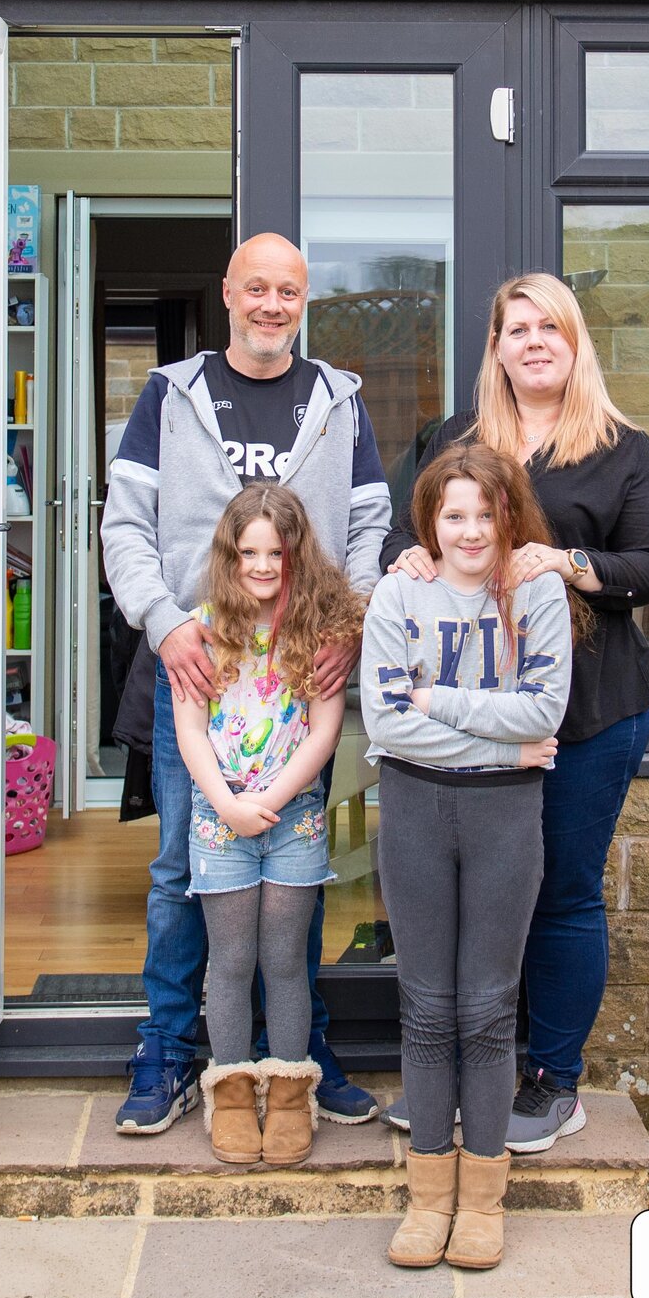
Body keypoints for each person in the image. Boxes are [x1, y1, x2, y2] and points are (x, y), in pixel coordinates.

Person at [100, 233, 392, 1135]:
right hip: (196, 665)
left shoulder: (336, 400)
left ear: (305, 301)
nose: (272, 304)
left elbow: (373, 525)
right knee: (184, 867)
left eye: (289, 291)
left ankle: (296, 1054)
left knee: (291, 868)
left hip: (302, 670)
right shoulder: (171, 395)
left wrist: (353, 619)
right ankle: (174, 1047)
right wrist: (165, 619)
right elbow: (123, 526)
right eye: (256, 287)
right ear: (228, 292)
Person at [379, 273, 649, 1153]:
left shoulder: (624, 448)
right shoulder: (455, 439)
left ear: (575, 342)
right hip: (469, 717)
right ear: (498, 347)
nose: (535, 341)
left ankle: (553, 1080)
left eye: (552, 326)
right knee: (471, 901)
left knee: (561, 896)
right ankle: (462, 1080)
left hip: (587, 713)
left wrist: (565, 560)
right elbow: (407, 536)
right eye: (518, 328)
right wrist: (410, 563)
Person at [362, 445, 579, 1272]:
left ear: (509, 516)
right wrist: (504, 739)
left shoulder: (539, 591)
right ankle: (427, 1199)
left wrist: (438, 698)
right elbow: (385, 725)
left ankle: (483, 1201)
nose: (470, 530)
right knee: (425, 1003)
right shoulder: (399, 590)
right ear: (430, 521)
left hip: (503, 816)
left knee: (488, 1006)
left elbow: (544, 707)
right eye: (454, 514)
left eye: (486, 514)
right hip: (416, 806)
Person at [174, 484, 362, 1166]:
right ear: (229, 555)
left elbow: (324, 729)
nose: (260, 565)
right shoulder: (200, 630)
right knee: (229, 961)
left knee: (284, 961)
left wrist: (274, 797)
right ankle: (230, 1093)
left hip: (294, 817)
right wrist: (227, 803)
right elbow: (189, 728)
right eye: (247, 551)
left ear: (295, 555)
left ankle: (287, 1093)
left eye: (274, 552)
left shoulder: (319, 631)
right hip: (219, 818)